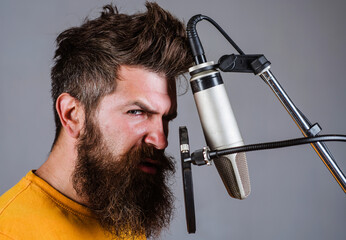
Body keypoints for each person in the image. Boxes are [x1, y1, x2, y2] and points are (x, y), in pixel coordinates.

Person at [0, 2, 193, 239]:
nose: (161, 140)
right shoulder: (9, 231)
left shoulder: (122, 211)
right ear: (73, 114)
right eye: (137, 112)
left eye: (166, 118)